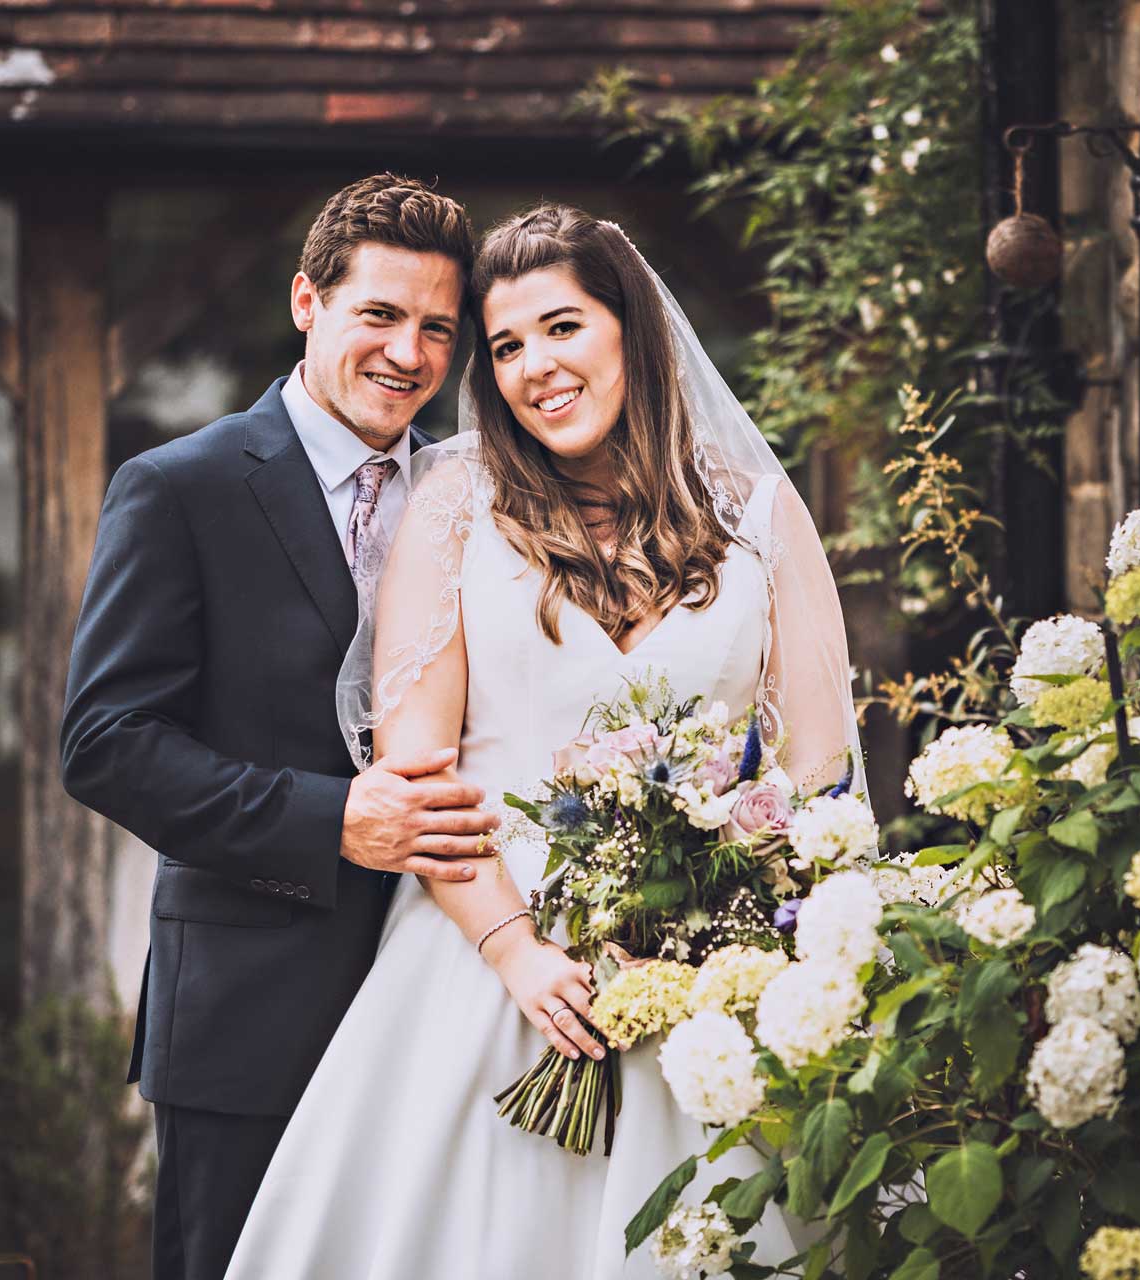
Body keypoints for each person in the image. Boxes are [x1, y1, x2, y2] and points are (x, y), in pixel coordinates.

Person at [225, 205, 864, 1277]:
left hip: (713, 979)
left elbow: (820, 773)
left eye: (562, 327)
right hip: (485, 965)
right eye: (507, 345)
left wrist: (740, 933)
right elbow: (414, 773)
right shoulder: (453, 504)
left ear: (632, 330)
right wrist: (518, 952)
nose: (535, 367)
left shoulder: (758, 511)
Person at [60, 174, 501, 1280]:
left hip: (453, 999)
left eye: (438, 328)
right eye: (380, 315)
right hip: (251, 1010)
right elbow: (106, 739)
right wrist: (333, 818)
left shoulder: (483, 496)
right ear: (307, 300)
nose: (409, 352)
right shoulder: (179, 486)